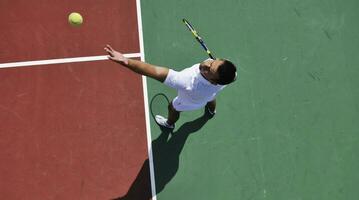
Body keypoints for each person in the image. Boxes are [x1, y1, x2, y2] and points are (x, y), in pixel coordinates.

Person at [104, 44, 237, 129]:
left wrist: (126, 61)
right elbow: (230, 74)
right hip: (209, 95)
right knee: (211, 98)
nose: (206, 65)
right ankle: (212, 111)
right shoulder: (229, 76)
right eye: (212, 62)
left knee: (172, 107)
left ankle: (169, 124)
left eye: (209, 71)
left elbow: (155, 71)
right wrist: (214, 68)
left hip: (190, 102)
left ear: (214, 81)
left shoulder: (187, 81)